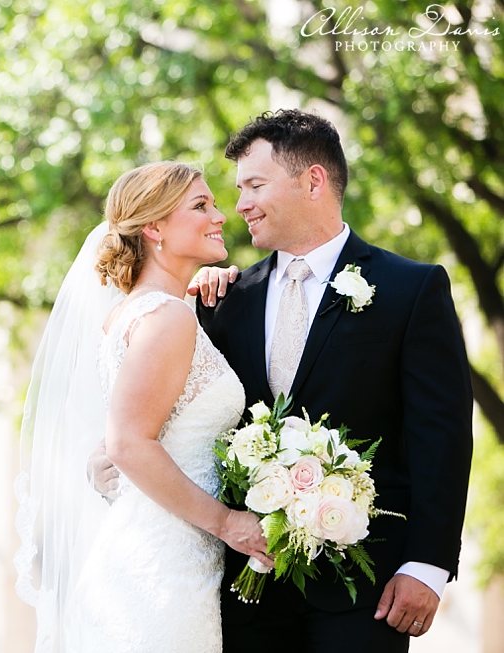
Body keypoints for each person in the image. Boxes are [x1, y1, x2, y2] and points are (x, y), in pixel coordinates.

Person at [91, 109, 473, 652]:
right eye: (231, 192)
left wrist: (429, 564)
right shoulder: (219, 301)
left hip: (364, 588)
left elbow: (443, 434)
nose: (239, 205)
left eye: (254, 185)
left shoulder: (410, 290)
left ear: (312, 180)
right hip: (242, 591)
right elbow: (153, 413)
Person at [14, 161, 272, 653]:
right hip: (161, 572)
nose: (221, 215)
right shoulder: (166, 318)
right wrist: (227, 522)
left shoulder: (140, 311)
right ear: (154, 228)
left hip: (155, 556)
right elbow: (129, 442)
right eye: (201, 206)